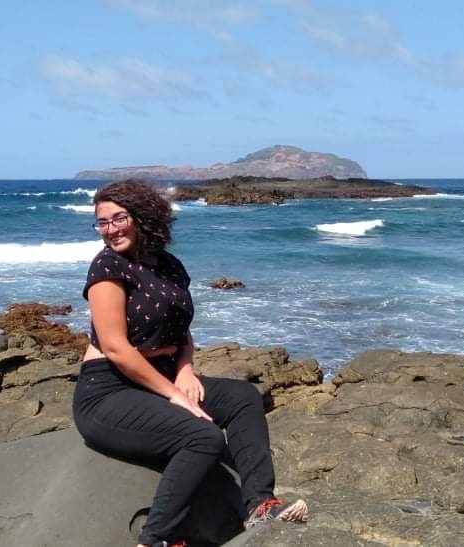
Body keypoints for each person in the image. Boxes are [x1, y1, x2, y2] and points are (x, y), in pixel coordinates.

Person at [72, 180, 307, 547]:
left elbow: (181, 333)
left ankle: (260, 503)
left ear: (143, 216)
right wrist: (174, 395)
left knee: (243, 397)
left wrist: (184, 372)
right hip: (108, 391)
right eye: (101, 222)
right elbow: (116, 348)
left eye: (119, 218)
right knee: (202, 436)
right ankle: (157, 539)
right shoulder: (107, 266)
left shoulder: (170, 267)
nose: (111, 229)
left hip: (160, 378)